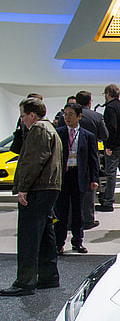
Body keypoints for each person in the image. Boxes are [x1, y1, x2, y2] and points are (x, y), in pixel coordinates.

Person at [1, 98, 63, 297]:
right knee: (45, 234)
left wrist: (23, 187)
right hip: (49, 188)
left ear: (32, 115)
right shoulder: (50, 129)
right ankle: (48, 277)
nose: (22, 120)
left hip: (38, 189)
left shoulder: (38, 130)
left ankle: (25, 282)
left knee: (28, 236)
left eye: (22, 116)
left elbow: (33, 161)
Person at [54, 104, 99, 254]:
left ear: (79, 116)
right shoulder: (58, 133)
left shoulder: (88, 136)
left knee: (78, 212)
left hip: (79, 176)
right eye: (65, 114)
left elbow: (93, 160)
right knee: (61, 212)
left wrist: (94, 178)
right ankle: (58, 243)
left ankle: (77, 242)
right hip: (62, 176)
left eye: (70, 114)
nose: (67, 117)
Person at [75, 90, 108, 230]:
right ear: (90, 102)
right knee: (90, 188)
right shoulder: (96, 116)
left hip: (71, 157)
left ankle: (72, 219)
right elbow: (104, 135)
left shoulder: (69, 116)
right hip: (90, 156)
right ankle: (88, 219)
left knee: (71, 189)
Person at [97, 84, 120, 212]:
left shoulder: (110, 108)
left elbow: (111, 128)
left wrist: (108, 146)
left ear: (107, 94)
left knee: (110, 175)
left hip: (114, 147)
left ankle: (108, 202)